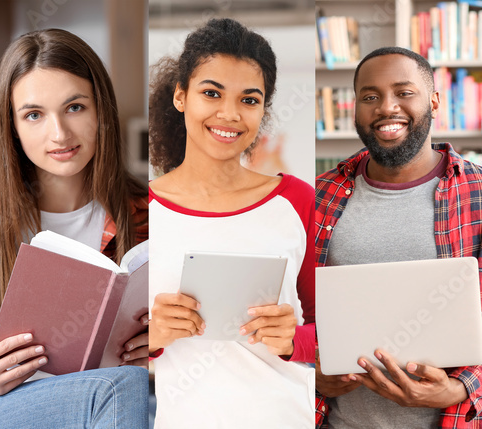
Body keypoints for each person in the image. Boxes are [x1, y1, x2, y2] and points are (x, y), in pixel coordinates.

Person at [146, 18, 316, 428]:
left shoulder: (297, 201)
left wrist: (296, 340)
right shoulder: (140, 208)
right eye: (211, 93)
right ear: (181, 96)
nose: (229, 114)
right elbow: (104, 350)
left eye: (249, 100)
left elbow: (335, 328)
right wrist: (151, 340)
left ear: (263, 110)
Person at [0, 28, 150, 427]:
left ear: (100, 111)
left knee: (130, 385)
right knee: (123, 385)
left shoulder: (147, 215)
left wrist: (158, 350)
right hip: (6, 406)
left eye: (74, 107)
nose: (59, 134)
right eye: (34, 115)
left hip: (115, 402)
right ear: (13, 127)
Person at [313, 47, 482, 429]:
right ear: (355, 107)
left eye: (404, 92)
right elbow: (292, 311)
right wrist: (310, 368)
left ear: (435, 101)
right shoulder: (318, 197)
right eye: (370, 97)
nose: (386, 107)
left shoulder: (479, 194)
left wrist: (460, 388)